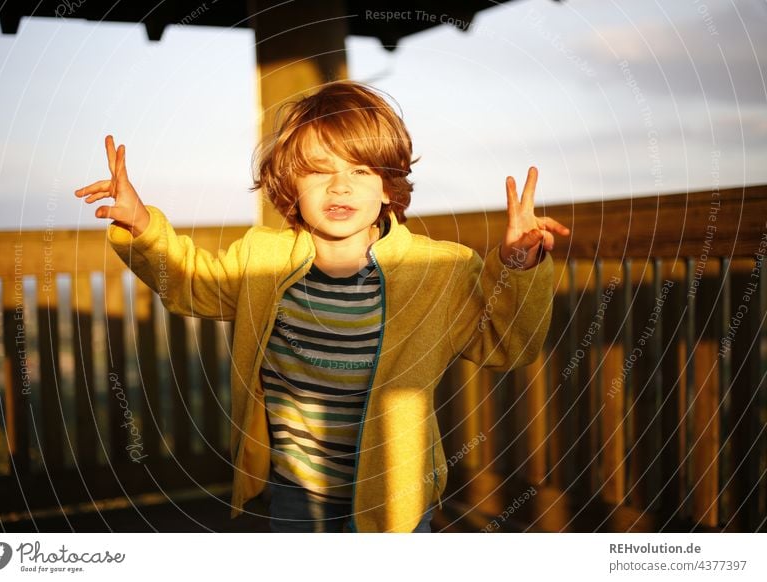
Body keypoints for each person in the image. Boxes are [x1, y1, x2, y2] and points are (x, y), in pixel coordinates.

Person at [75, 81, 570, 532]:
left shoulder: (437, 270)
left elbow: (507, 347)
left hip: (394, 495)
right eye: (319, 171)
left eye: (360, 169)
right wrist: (142, 225)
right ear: (290, 185)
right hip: (295, 489)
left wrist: (518, 266)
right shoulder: (261, 258)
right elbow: (189, 283)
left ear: (388, 185)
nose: (340, 186)